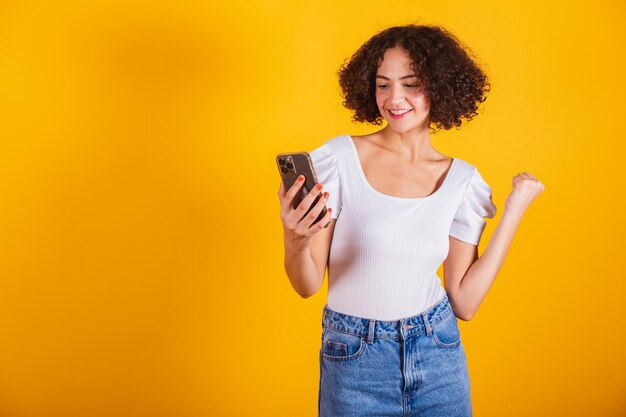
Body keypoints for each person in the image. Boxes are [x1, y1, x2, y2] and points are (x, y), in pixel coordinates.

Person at [277, 24, 544, 417]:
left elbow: (465, 302)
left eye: (411, 83)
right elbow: (307, 284)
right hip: (354, 358)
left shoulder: (463, 182)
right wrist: (296, 241)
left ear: (439, 85)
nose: (394, 99)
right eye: (383, 85)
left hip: (437, 353)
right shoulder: (339, 160)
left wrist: (514, 209)